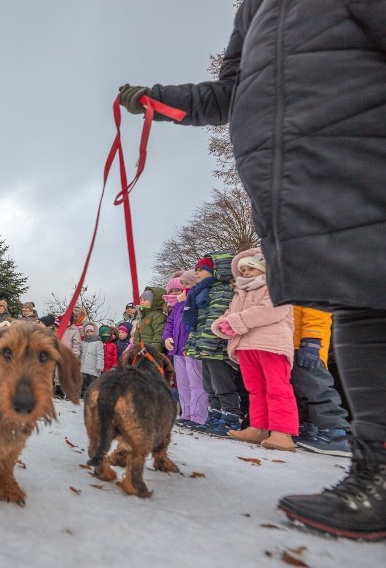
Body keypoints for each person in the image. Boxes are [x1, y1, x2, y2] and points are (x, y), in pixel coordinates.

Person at [119, 0, 385, 540]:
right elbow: (228, 93)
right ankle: (375, 471)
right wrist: (157, 99)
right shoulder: (255, 8)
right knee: (361, 296)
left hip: (360, 136)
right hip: (291, 165)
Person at [211, 250, 296, 451]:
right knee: (255, 389)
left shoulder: (276, 286)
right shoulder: (240, 292)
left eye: (251, 268)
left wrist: (237, 321)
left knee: (277, 387)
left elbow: (273, 309)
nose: (246, 273)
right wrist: (221, 324)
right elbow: (230, 313)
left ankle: (282, 433)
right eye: (243, 270)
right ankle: (258, 427)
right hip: (246, 345)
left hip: (271, 344)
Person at [184, 253, 243, 437]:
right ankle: (215, 416)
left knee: (222, 385)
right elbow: (198, 323)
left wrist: (207, 344)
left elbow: (214, 319)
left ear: (216, 270)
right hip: (205, 348)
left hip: (217, 349)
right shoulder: (204, 291)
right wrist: (192, 344)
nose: (197, 272)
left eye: (202, 269)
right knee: (210, 387)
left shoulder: (223, 291)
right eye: (196, 269)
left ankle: (230, 418)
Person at [290, 307, 351, 457]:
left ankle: (335, 434)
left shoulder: (310, 283)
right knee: (301, 389)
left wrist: (312, 339)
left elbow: (317, 310)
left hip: (307, 345)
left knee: (316, 387)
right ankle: (308, 428)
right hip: (293, 342)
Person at [163, 271, 207, 427]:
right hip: (177, 350)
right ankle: (186, 413)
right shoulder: (178, 304)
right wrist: (167, 337)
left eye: (186, 285)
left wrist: (185, 301)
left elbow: (193, 319)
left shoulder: (195, 299)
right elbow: (170, 323)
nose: (183, 288)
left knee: (195, 382)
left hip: (191, 348)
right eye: (182, 285)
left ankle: (199, 416)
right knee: (182, 383)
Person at [133, 286, 166, 351]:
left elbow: (159, 334)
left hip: (151, 352)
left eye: (145, 299)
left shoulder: (157, 315)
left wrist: (154, 350)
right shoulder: (143, 316)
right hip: (140, 351)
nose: (142, 302)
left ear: (154, 301)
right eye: (141, 300)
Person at [79, 322, 104, 398]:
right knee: (84, 382)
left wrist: (99, 366)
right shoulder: (83, 343)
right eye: (87, 331)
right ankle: (83, 395)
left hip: (93, 368)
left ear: (94, 332)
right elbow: (81, 354)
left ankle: (91, 396)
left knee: (92, 383)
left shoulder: (98, 343)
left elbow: (100, 355)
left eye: (91, 331)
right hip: (83, 367)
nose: (89, 333)